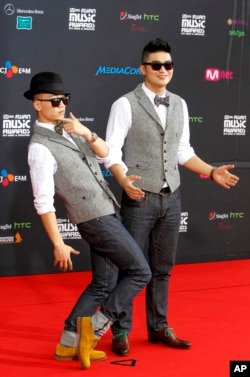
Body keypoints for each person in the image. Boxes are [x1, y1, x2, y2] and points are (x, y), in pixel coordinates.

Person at [101, 38, 239, 355]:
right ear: (143, 68)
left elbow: (182, 152)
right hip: (138, 198)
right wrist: (123, 180)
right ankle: (120, 330)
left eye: (168, 65)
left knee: (162, 269)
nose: (163, 70)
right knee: (131, 267)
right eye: (156, 65)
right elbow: (110, 153)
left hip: (171, 198)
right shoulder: (124, 104)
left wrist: (211, 170)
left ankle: (159, 327)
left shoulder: (179, 104)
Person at [24, 71, 151, 370]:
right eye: (54, 101)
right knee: (140, 271)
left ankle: (67, 343)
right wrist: (58, 243)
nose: (61, 105)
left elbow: (107, 155)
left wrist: (85, 132)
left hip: (107, 210)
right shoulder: (39, 148)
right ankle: (92, 331)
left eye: (64, 99)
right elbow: (43, 202)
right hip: (94, 219)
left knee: (101, 283)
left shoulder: (69, 129)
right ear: (37, 105)